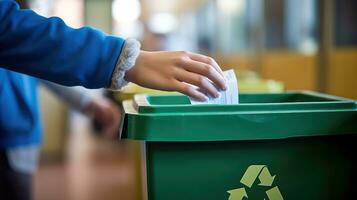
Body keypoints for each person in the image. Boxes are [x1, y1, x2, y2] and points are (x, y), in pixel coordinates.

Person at [0, 0, 227, 199]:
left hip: (20, 129)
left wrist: (87, 102)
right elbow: (12, 30)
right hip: (9, 129)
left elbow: (35, 60)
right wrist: (126, 59)